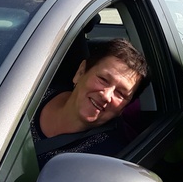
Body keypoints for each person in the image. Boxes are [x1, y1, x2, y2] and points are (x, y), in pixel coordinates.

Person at [30, 38, 149, 169]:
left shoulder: (109, 159)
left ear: (123, 108)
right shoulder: (30, 97)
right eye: (103, 79)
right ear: (81, 72)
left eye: (120, 94)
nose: (106, 95)